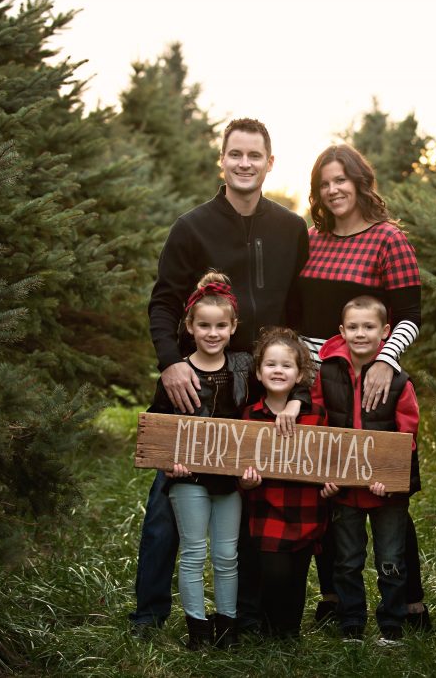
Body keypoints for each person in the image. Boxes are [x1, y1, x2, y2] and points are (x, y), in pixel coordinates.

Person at [129, 118, 309, 638]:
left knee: (249, 494)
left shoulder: (289, 229)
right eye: (236, 154)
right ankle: (149, 612)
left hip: (257, 385)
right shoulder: (192, 227)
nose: (245, 163)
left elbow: (297, 316)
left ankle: (242, 615)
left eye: (255, 155)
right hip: (193, 382)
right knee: (171, 489)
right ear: (222, 161)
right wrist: (170, 363)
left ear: (270, 162)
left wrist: (293, 386)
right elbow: (163, 303)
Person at [298, 144, 430, 630]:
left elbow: (410, 316)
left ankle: (409, 604)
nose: (333, 190)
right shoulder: (311, 239)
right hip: (316, 380)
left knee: (385, 487)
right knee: (327, 492)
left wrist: (385, 363)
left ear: (359, 181)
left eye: (341, 180)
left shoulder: (388, 240)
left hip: (367, 380)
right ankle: (336, 599)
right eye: (324, 183)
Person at [312, 295, 420, 645]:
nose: (361, 334)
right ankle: (352, 623)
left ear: (385, 331)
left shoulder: (399, 381)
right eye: (353, 327)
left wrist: (388, 478)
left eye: (369, 327)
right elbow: (317, 425)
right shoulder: (326, 373)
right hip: (344, 490)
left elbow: (408, 434)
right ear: (342, 331)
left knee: (391, 560)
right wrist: (324, 474)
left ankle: (391, 624)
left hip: (385, 491)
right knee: (347, 560)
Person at [163, 272, 250, 649]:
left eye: (220, 326)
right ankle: (197, 630)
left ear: (232, 327)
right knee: (194, 553)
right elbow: (159, 425)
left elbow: (257, 418)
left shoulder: (243, 370)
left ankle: (227, 629)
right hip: (189, 481)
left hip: (229, 482)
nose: (212, 333)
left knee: (226, 555)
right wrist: (170, 462)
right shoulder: (178, 374)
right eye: (204, 325)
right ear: (190, 326)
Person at [238, 327, 339, 638]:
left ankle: (288, 633)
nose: (278, 371)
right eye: (270, 364)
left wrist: (330, 484)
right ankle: (269, 629)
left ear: (299, 376)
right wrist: (247, 482)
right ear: (258, 372)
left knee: (297, 574)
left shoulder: (317, 416)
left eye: (286, 365)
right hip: (267, 510)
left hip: (307, 509)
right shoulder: (250, 416)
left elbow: (330, 461)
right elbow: (240, 466)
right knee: (275, 573)